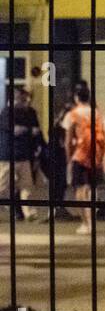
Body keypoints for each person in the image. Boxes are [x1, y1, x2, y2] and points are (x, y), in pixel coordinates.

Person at [63, 80, 105, 235]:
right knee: (92, 189)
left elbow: (68, 140)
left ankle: (86, 222)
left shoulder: (73, 114)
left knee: (80, 189)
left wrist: (69, 158)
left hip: (80, 154)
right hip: (95, 155)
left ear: (77, 98)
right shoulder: (98, 114)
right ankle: (92, 220)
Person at [0, 84, 46, 221]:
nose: (23, 100)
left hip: (23, 155)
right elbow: (16, 129)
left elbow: (33, 130)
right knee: (2, 186)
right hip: (8, 155)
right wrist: (30, 130)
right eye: (20, 98)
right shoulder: (7, 112)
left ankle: (30, 214)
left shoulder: (28, 112)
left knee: (27, 186)